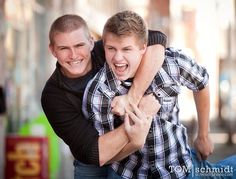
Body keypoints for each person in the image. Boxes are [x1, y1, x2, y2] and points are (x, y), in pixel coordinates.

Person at [83, 10, 236, 178]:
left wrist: (203, 135)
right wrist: (135, 137)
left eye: (127, 49)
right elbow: (106, 155)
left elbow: (201, 83)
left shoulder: (172, 64)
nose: (118, 57)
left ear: (143, 48)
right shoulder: (99, 91)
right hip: (127, 174)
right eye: (111, 48)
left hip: (179, 169)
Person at [41, 14, 167, 178]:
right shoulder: (53, 96)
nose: (73, 55)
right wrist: (139, 114)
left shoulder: (108, 50)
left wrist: (132, 98)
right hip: (94, 168)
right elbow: (93, 153)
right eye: (64, 48)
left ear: (91, 42)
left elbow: (156, 40)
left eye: (79, 45)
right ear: (52, 50)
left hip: (137, 158)